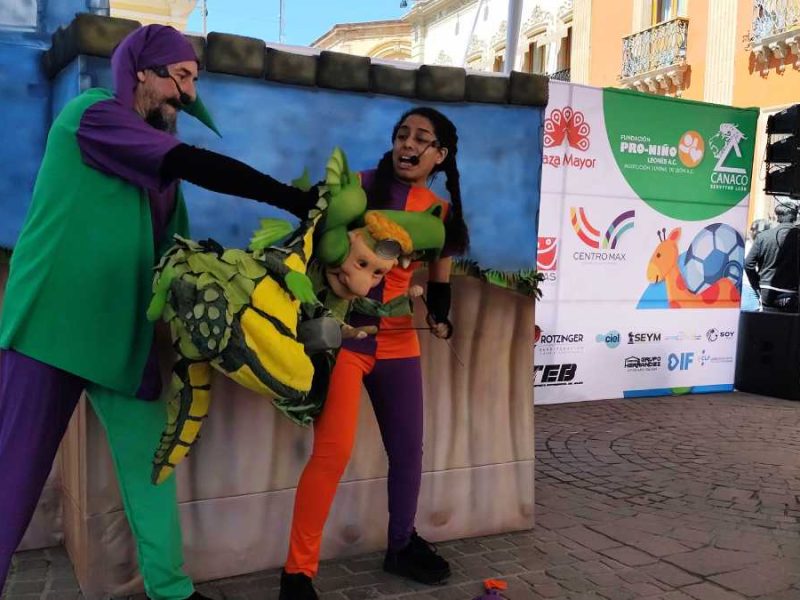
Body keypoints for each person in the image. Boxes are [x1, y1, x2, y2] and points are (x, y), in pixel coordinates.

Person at [0, 25, 318, 600]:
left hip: (122, 337)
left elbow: (178, 257)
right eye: (180, 77)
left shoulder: (163, 178)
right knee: (11, 477)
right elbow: (195, 161)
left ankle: (172, 591)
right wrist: (293, 198)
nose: (188, 94)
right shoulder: (90, 115)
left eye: (194, 81)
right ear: (141, 72)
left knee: (154, 464)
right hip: (51, 328)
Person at [280, 107, 470, 600]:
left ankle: (401, 546)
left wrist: (441, 318)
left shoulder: (439, 212)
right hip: (348, 340)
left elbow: (439, 282)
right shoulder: (360, 188)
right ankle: (298, 574)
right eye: (402, 134)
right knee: (332, 453)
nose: (408, 143)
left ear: (440, 155)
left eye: (421, 139)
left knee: (409, 452)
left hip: (401, 342)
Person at [745, 203, 800, 313]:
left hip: (766, 290)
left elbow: (748, 264)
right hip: (790, 291)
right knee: (788, 327)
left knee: (768, 324)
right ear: (794, 217)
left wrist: (757, 285)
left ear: (778, 217)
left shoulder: (763, 237)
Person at [741, 218, 770, 311]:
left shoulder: (746, 245)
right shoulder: (749, 246)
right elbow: (748, 265)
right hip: (749, 287)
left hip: (752, 287)